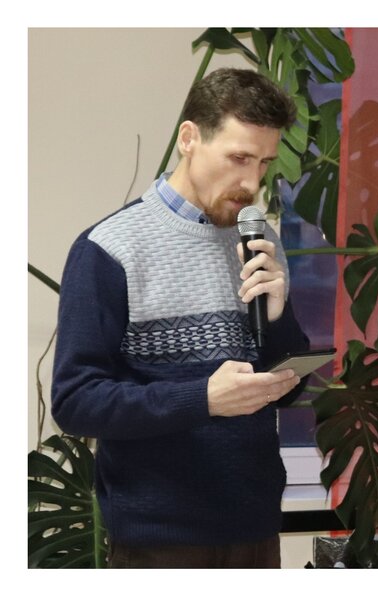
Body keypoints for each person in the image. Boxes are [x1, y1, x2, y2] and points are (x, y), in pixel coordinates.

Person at [51, 67, 310, 569]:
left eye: (264, 163)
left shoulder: (260, 242)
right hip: (159, 540)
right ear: (189, 138)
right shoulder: (110, 249)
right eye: (238, 158)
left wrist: (278, 319)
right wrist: (203, 398)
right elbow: (76, 401)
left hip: (256, 530)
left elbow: (285, 391)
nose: (251, 182)